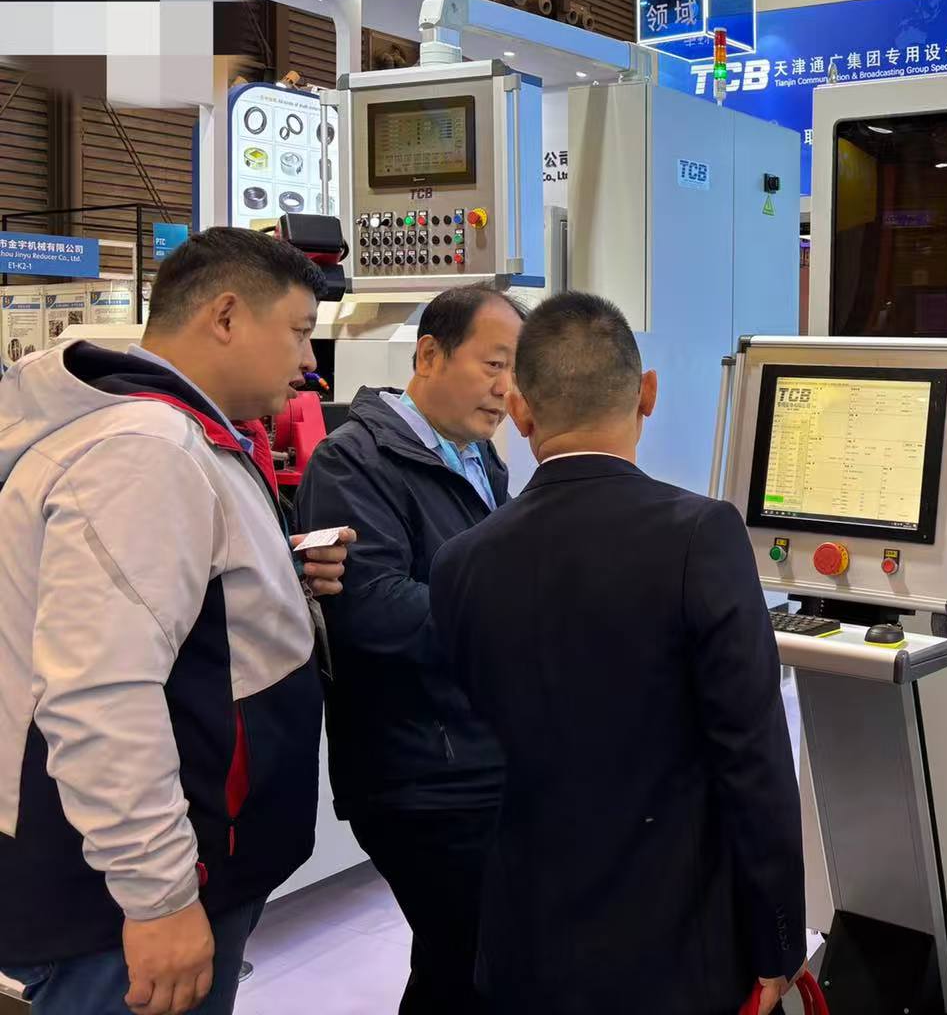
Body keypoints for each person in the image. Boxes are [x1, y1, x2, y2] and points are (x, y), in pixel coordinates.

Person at [0, 228, 353, 1015]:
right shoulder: (144, 451)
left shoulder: (172, 434)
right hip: (124, 900)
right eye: (299, 331)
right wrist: (157, 897)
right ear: (225, 317)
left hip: (182, 865)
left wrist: (273, 575)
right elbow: (100, 693)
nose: (309, 362)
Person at [430, 291, 805, 1015]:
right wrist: (778, 939)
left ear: (520, 411)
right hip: (674, 950)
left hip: (522, 944)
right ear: (648, 395)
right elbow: (753, 758)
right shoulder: (702, 536)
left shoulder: (459, 564)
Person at [293, 282, 526, 1015]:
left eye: (516, 371)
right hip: (420, 772)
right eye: (494, 364)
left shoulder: (478, 458)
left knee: (467, 962)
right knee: (473, 962)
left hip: (479, 749)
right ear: (429, 355)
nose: (506, 389)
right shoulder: (353, 463)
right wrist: (523, 611)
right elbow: (374, 612)